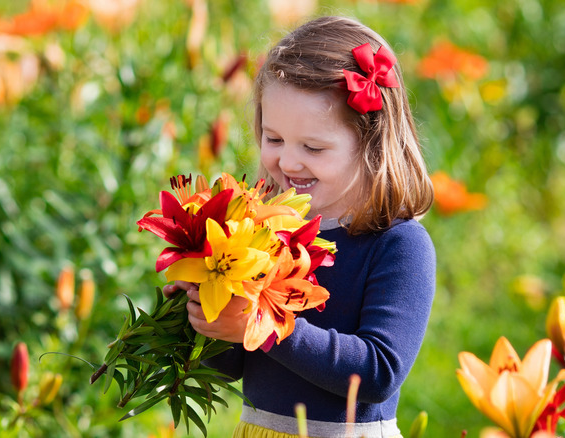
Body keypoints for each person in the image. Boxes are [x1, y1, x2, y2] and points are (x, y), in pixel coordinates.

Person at [163, 16, 435, 438]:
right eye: (273, 139)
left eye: (312, 147)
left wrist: (265, 325)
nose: (288, 162)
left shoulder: (398, 243)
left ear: (370, 141)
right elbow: (233, 366)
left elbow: (378, 373)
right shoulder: (262, 229)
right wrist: (202, 308)